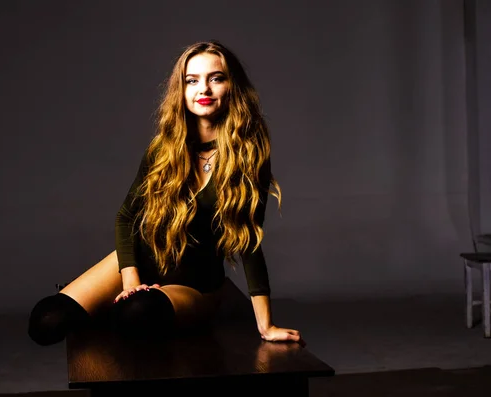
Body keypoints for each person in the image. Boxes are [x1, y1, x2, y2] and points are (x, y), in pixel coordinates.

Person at [27, 40, 303, 346]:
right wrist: (131, 280)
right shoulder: (163, 149)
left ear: (232, 86)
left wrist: (266, 325)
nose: (204, 90)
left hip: (194, 284)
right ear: (181, 90)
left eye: (216, 78)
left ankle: (124, 310)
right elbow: (126, 216)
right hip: (142, 261)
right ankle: (107, 306)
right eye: (192, 81)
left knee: (135, 315)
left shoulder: (248, 156)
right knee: (47, 321)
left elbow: (249, 242)